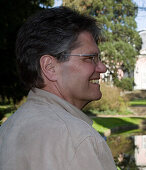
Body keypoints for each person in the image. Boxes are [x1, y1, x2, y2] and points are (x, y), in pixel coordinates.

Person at [0, 7, 117, 170]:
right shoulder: (77, 138)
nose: (103, 67)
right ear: (50, 67)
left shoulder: (7, 129)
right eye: (90, 58)